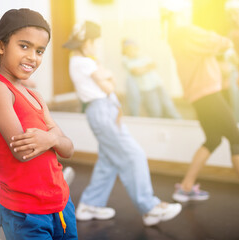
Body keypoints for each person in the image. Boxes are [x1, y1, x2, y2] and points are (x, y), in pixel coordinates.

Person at [63, 21, 182, 226]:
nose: (96, 45)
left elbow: (109, 82)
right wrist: (107, 78)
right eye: (94, 41)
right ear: (86, 42)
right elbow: (109, 85)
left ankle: (90, 204)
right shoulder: (83, 62)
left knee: (108, 162)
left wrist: (108, 81)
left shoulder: (85, 60)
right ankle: (150, 208)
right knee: (134, 155)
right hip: (101, 110)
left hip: (104, 110)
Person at [0, 8, 78, 239]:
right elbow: (24, 150)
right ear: (1, 46)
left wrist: (50, 138)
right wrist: (53, 138)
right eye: (24, 46)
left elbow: (69, 148)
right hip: (25, 213)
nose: (33, 56)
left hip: (61, 204)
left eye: (39, 51)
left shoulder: (36, 96)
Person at [163, 4, 239, 202]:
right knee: (236, 139)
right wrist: (234, 27)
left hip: (200, 98)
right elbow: (221, 43)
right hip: (209, 95)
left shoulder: (176, 38)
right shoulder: (187, 32)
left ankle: (185, 187)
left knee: (213, 140)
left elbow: (212, 54)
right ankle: (185, 187)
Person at [121, 38, 181, 119]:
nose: (131, 51)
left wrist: (143, 69)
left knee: (168, 105)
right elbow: (136, 71)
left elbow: (153, 65)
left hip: (157, 84)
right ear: (125, 51)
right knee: (155, 110)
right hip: (146, 89)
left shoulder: (143, 56)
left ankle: (178, 121)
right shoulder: (126, 60)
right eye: (128, 49)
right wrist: (147, 67)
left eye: (133, 48)